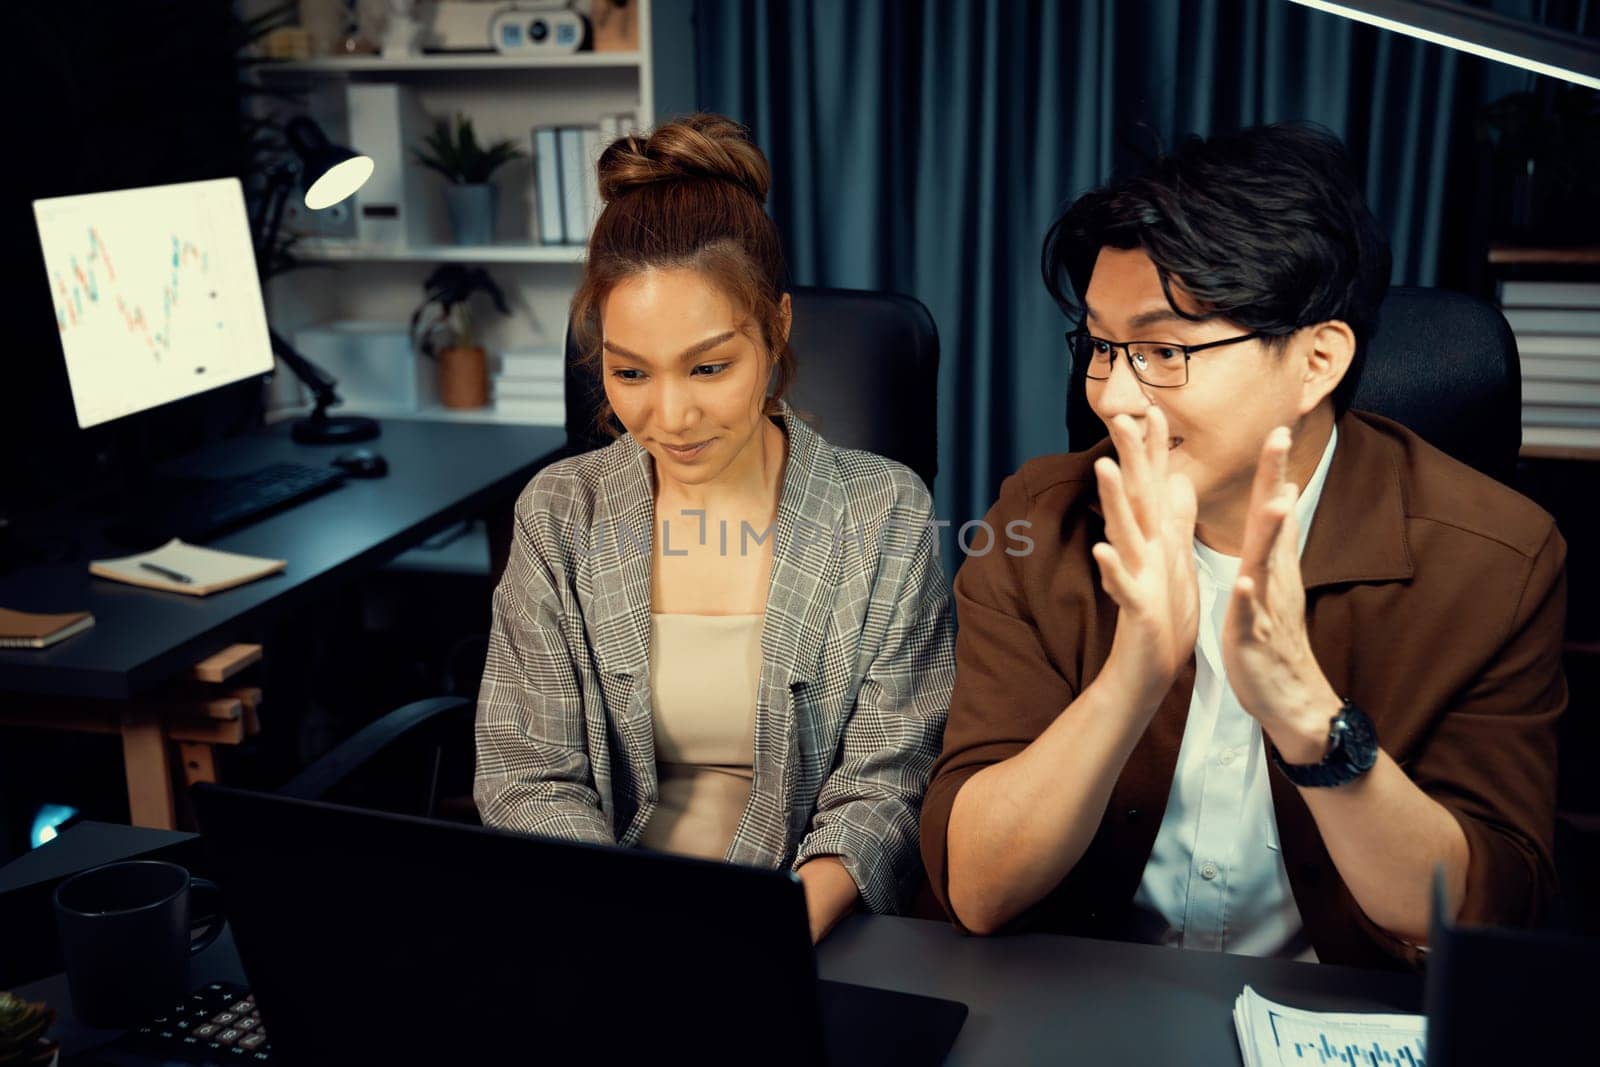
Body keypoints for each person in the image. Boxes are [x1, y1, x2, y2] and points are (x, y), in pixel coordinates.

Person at [920, 123, 1567, 969]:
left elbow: (1483, 918)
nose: (1112, 395)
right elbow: (976, 885)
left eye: (1161, 350)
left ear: (1316, 361)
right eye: (1100, 345)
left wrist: (1311, 720)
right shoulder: (1039, 522)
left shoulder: (1497, 560)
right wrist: (1133, 676)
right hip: (1091, 1010)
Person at [475, 114, 954, 942]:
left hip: (801, 929)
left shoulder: (886, 512)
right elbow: (526, 772)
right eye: (630, 372)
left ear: (777, 329)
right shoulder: (560, 512)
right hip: (600, 922)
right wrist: (624, 930)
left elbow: (889, 778)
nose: (670, 415)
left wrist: (766, 937)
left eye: (709, 367)